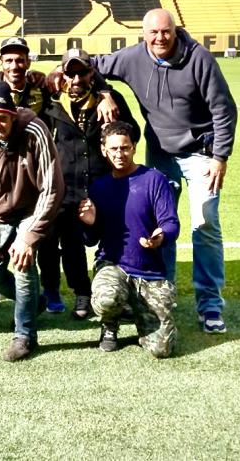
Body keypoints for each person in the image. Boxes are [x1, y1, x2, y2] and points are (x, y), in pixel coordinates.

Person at [88, 9, 238, 334]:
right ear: (143, 34)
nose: (159, 38)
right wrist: (103, 92)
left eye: (165, 32)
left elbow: (224, 109)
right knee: (157, 225)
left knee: (205, 223)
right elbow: (89, 64)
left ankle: (210, 304)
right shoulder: (132, 58)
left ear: (175, 30)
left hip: (200, 152)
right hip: (160, 152)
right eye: (153, 32)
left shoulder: (200, 60)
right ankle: (162, 290)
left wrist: (220, 156)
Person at [0, 82, 64, 362]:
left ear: (13, 115)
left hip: (31, 210)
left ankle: (25, 335)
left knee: (23, 267)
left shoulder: (35, 130)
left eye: (2, 118)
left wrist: (29, 236)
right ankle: (35, 302)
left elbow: (52, 187)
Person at [39, 48, 141, 318]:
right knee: (66, 243)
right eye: (70, 73)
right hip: (64, 188)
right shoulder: (50, 103)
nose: (75, 79)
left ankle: (122, 291)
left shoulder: (109, 100)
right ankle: (80, 294)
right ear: (62, 73)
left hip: (103, 186)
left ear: (91, 73)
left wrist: (110, 107)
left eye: (81, 72)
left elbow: (134, 134)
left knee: (117, 239)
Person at [78, 121, 179, 358]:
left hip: (149, 271)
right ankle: (109, 325)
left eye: (124, 148)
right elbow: (90, 240)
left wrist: (161, 235)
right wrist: (89, 223)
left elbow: (171, 223)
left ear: (134, 147)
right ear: (104, 150)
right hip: (114, 266)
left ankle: (141, 315)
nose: (119, 154)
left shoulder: (154, 179)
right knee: (107, 297)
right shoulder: (99, 187)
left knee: (162, 350)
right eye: (113, 149)